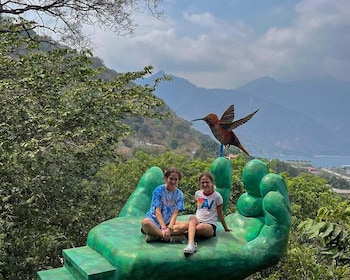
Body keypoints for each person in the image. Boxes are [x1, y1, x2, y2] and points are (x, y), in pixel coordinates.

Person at [183, 172, 231, 255]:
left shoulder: (217, 196)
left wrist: (225, 228)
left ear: (212, 182)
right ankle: (191, 244)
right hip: (198, 221)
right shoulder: (198, 194)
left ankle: (184, 235)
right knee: (192, 218)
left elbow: (220, 214)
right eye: (202, 182)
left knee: (199, 228)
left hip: (209, 225)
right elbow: (200, 208)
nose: (205, 184)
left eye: (207, 182)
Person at [141, 167, 188, 242]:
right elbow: (157, 211)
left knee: (185, 225)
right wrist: (163, 228)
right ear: (166, 178)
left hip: (167, 223)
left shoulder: (179, 194)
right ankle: (169, 238)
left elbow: (175, 213)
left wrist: (169, 228)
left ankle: (155, 236)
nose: (173, 181)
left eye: (176, 179)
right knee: (145, 223)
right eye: (171, 178)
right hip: (153, 221)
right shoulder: (158, 191)